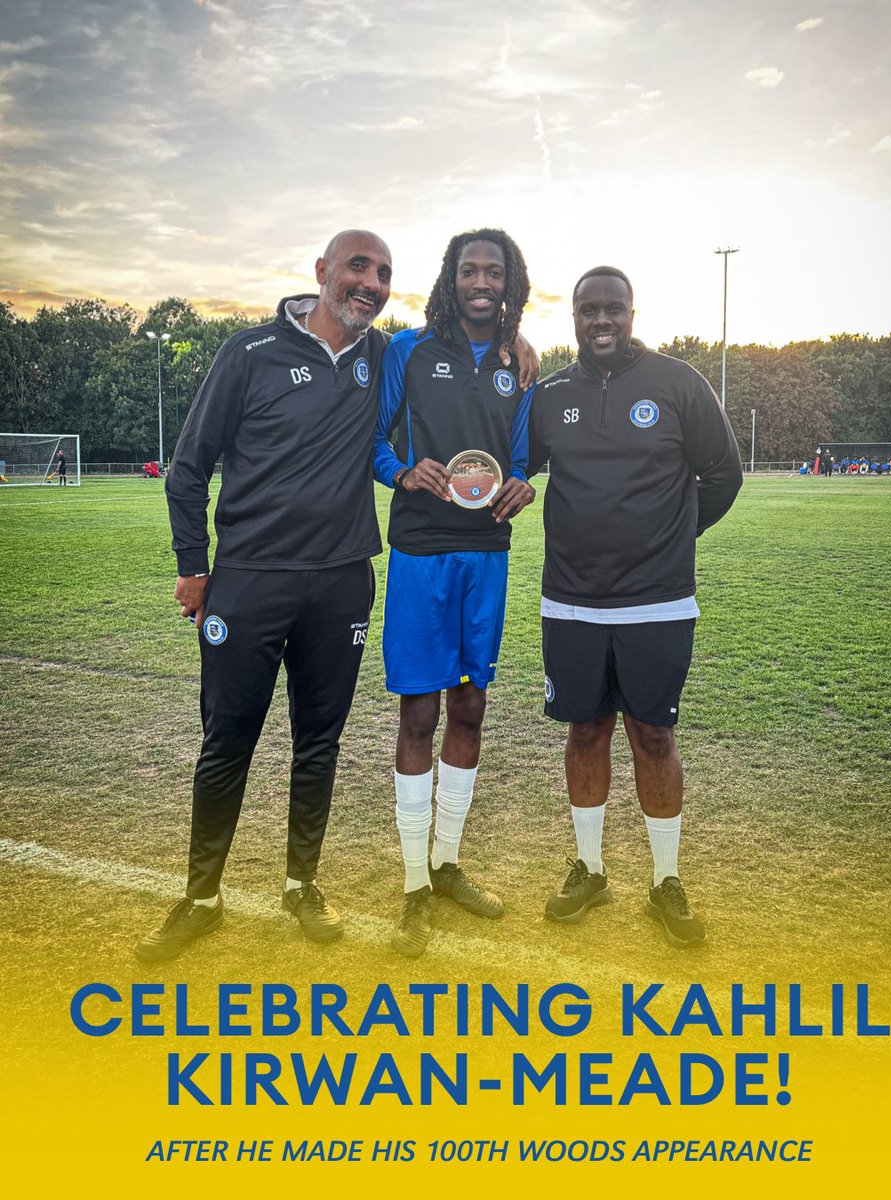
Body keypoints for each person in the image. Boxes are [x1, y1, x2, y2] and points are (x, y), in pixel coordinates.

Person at [134, 230, 395, 962]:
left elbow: (454, 352)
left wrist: (517, 348)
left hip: (343, 581)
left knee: (320, 741)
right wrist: (194, 565)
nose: (370, 283)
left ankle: (300, 885)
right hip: (249, 582)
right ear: (322, 273)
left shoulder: (382, 357)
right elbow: (188, 468)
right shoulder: (247, 353)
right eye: (357, 267)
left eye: (382, 274)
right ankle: (201, 898)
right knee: (227, 742)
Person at [528, 266, 742, 948]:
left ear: (631, 312)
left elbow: (723, 475)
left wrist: (670, 537)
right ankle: (588, 869)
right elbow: (516, 468)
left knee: (653, 735)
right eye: (588, 310)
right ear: (573, 317)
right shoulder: (551, 394)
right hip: (571, 603)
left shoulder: (679, 383)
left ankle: (665, 881)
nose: (601, 321)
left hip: (658, 603)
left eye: (612, 309)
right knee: (585, 731)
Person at [373, 228, 537, 958]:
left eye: (492, 271)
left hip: (486, 555)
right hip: (419, 554)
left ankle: (446, 864)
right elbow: (370, 437)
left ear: (508, 282)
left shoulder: (518, 365)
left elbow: (529, 457)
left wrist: (527, 485)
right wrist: (401, 472)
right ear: (451, 277)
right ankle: (412, 884)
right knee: (419, 712)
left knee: (470, 704)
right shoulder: (406, 351)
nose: (480, 280)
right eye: (468, 268)